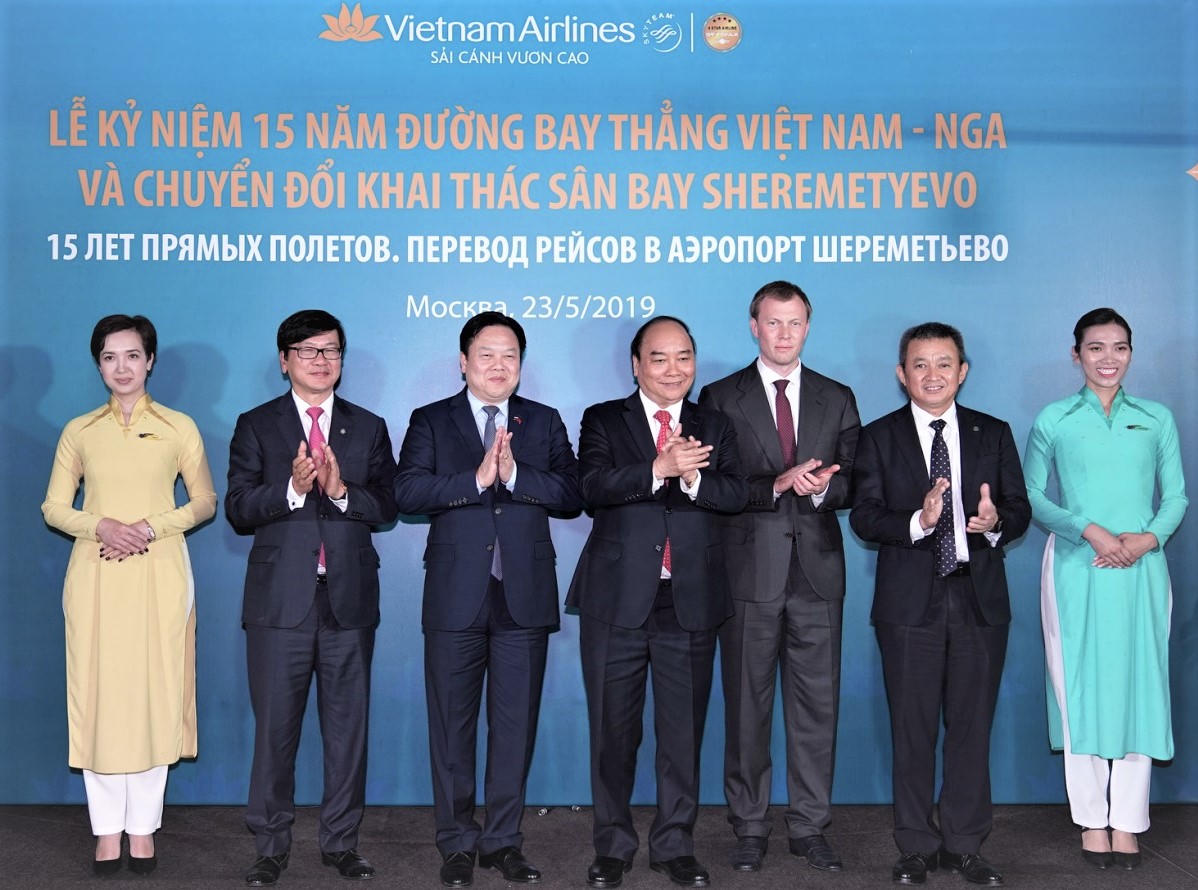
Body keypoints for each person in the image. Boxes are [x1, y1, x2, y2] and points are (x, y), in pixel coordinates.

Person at [393, 311, 581, 888]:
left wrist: (517, 474)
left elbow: (572, 493)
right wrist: (475, 480)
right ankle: (456, 842)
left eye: (509, 356)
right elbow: (406, 491)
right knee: (452, 728)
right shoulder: (431, 419)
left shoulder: (543, 421)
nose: (499, 366)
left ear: (521, 364)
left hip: (524, 594)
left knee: (514, 726)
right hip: (456, 595)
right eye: (486, 355)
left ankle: (502, 841)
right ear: (464, 362)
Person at [567, 316, 748, 889]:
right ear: (637, 365)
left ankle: (674, 845)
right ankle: (612, 846)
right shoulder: (603, 418)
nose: (674, 369)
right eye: (660, 358)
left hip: (688, 600)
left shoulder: (715, 423)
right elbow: (590, 488)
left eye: (684, 357)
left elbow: (736, 493)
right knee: (612, 734)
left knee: (682, 735)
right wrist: (657, 469)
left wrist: (691, 480)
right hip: (616, 601)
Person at [849, 322, 1029, 887]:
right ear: (902, 374)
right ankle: (915, 846)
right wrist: (918, 521)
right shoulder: (878, 436)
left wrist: (994, 522)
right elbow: (863, 516)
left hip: (979, 600)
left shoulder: (992, 432)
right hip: (909, 604)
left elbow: (1020, 509)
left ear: (963, 371)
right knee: (912, 729)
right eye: (920, 364)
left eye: (944, 363)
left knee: (972, 728)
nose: (933, 375)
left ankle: (965, 846)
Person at [226, 309, 397, 886]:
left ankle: (342, 843)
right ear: (284, 361)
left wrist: (341, 490)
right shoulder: (257, 425)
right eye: (307, 350)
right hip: (280, 603)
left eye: (331, 350)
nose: (321, 360)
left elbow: (389, 505)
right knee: (275, 732)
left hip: (349, 601)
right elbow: (238, 508)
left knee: (348, 733)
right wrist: (293, 490)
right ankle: (270, 845)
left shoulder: (368, 426)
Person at [42, 314, 217, 876]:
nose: (122, 367)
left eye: (133, 355)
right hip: (94, 575)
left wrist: (148, 527)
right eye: (110, 357)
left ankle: (142, 829)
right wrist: (101, 526)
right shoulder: (79, 431)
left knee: (153, 695)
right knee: (98, 698)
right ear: (99, 364)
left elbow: (205, 501)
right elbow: (54, 507)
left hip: (159, 572)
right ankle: (105, 831)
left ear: (150, 361)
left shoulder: (178, 426)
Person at [698, 281, 860, 873]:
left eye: (794, 323)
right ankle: (749, 824)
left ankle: (810, 824)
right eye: (773, 322)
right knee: (748, 708)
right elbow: (713, 486)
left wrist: (820, 491)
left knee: (817, 708)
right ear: (754, 326)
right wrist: (775, 484)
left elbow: (857, 478)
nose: (784, 333)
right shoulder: (719, 397)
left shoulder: (836, 396)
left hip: (818, 574)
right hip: (749, 574)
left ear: (808, 327)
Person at [1023, 308, 1187, 871]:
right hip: (1075, 567)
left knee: (1141, 685)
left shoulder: (1157, 418)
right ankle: (1093, 819)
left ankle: (1129, 821)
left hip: (1142, 569)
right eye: (1095, 348)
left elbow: (1176, 497)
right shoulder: (1054, 418)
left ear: (1131, 353)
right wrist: (1088, 530)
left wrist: (1148, 539)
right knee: (1079, 687)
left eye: (1119, 347)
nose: (1108, 358)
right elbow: (1032, 496)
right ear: (1076, 355)